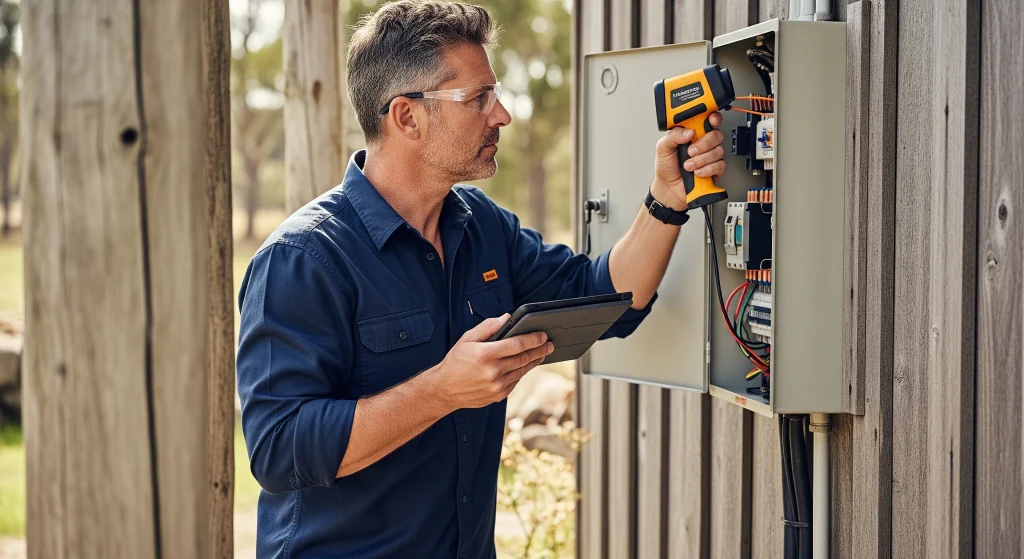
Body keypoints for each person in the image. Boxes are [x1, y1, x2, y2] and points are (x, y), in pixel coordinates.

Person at [235, 1, 727, 556]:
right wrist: (441, 390)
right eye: (478, 99)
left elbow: (609, 298)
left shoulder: (481, 225)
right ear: (406, 117)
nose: (502, 115)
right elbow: (279, 451)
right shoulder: (302, 259)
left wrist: (666, 200)